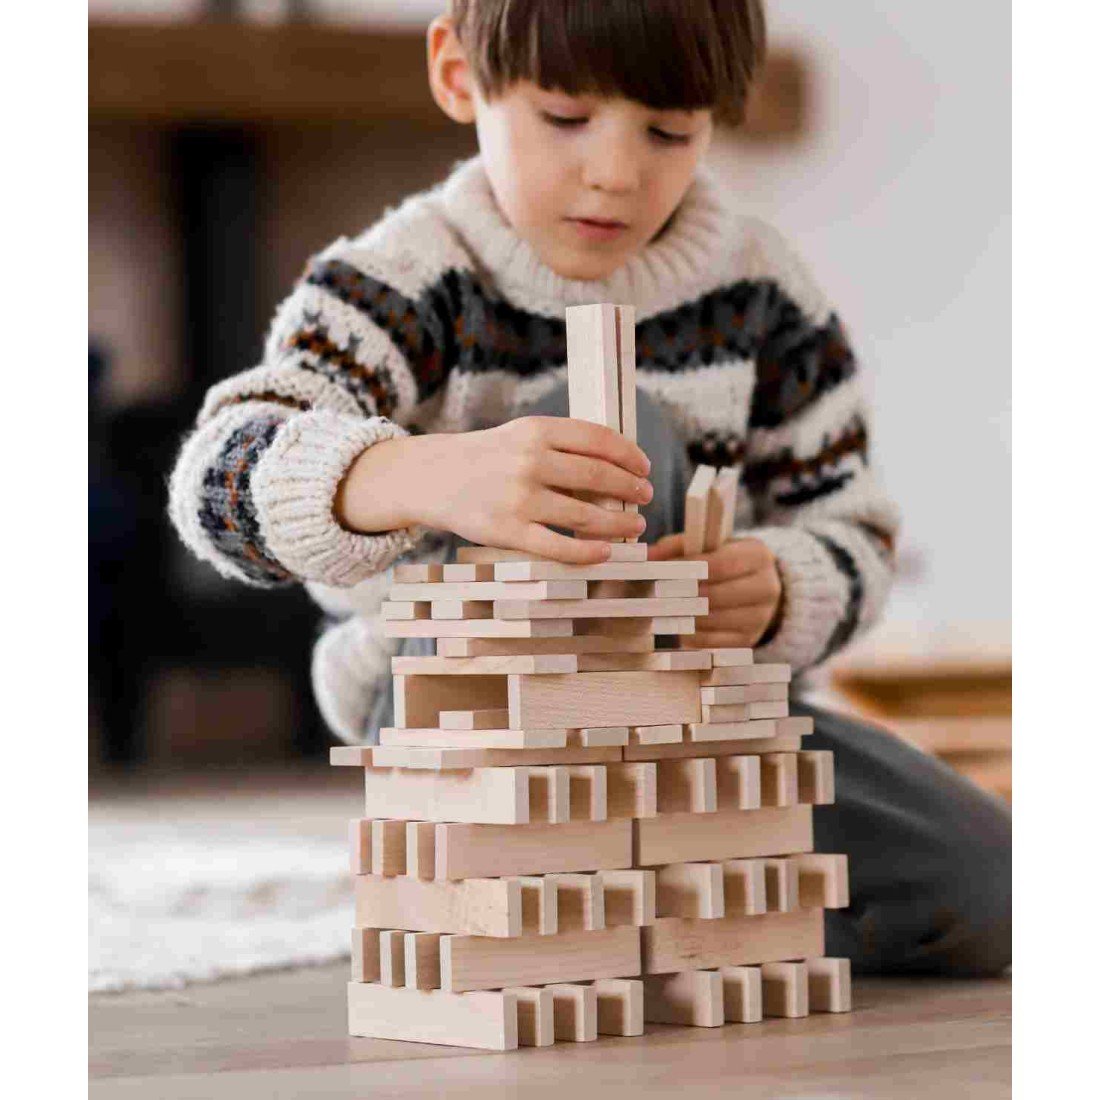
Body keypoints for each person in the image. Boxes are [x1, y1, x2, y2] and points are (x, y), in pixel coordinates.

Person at [167, 0, 1010, 977]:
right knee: (617, 423)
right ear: (456, 75)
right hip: (464, 722)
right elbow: (216, 478)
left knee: (999, 886)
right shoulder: (397, 282)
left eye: (667, 130)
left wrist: (780, 584)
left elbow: (854, 532)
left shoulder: (764, 297)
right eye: (564, 117)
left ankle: (676, 908)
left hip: (704, 725)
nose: (615, 171)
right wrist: (420, 474)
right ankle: (597, 895)